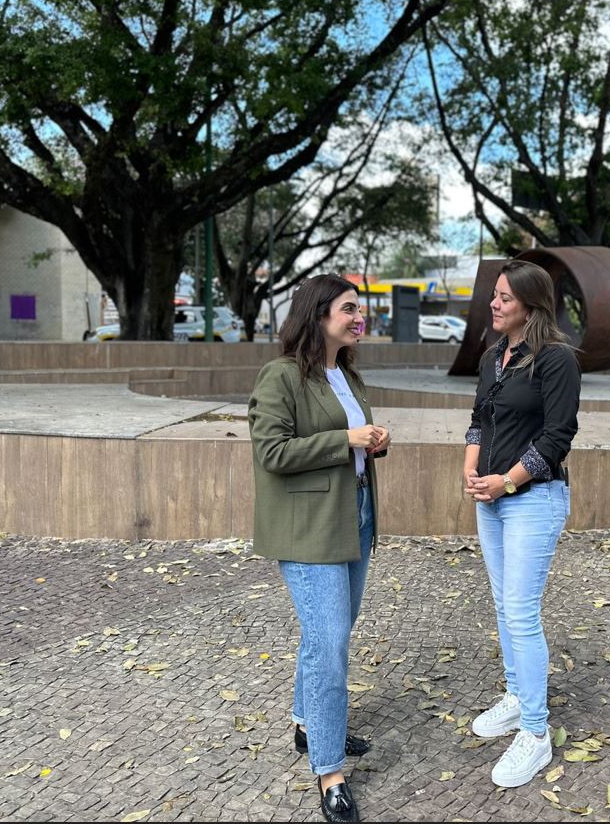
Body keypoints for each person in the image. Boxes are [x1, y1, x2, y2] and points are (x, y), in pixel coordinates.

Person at [248, 274, 391, 824]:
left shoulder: (346, 374)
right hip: (309, 529)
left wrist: (374, 443)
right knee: (330, 644)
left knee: (328, 633)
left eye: (361, 310)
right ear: (317, 314)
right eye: (350, 309)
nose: (359, 318)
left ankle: (308, 723)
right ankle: (330, 773)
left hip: (353, 518)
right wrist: (347, 441)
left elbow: (351, 443)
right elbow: (274, 453)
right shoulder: (281, 375)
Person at [463, 260, 580, 789]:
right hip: (490, 498)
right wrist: (471, 467)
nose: (494, 303)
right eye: (495, 294)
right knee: (504, 608)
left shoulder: (556, 361)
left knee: (522, 613)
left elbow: (557, 437)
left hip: (534, 499)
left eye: (505, 297)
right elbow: (478, 420)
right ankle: (516, 697)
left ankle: (536, 733)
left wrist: (506, 481)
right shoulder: (494, 357)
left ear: (531, 306)